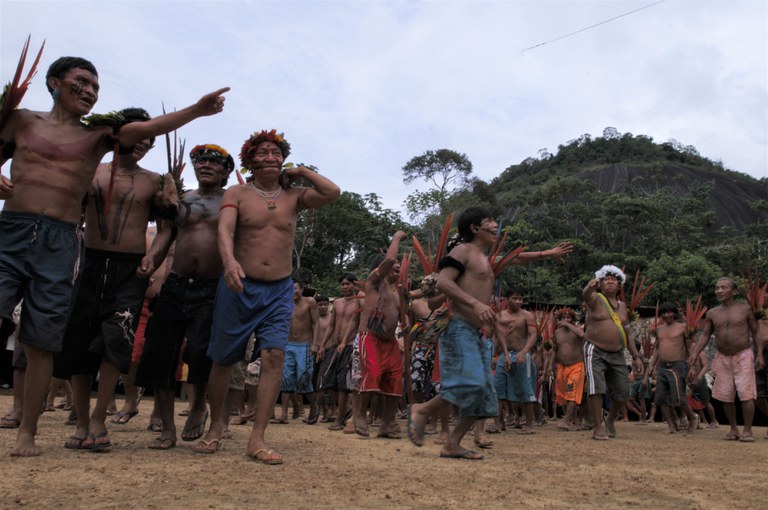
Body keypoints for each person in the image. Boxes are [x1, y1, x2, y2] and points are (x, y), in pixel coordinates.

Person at [0, 55, 228, 456]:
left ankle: (38, 432)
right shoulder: (23, 122)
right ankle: (63, 417)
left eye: (96, 86)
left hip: (94, 255)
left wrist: (196, 110)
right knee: (66, 340)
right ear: (54, 82)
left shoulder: (114, 148)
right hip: (33, 237)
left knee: (62, 342)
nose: (90, 90)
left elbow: (166, 218)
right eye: (82, 82)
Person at [195, 129, 339, 464]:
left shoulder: (294, 195)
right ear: (249, 161)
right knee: (224, 359)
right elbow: (225, 230)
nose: (270, 158)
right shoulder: (238, 193)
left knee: (274, 356)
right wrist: (229, 262)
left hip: (279, 289)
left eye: (276, 153)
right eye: (262, 153)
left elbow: (332, 192)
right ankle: (216, 427)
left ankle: (257, 439)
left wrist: (301, 172)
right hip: (240, 284)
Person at [51, 107, 185, 452]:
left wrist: (152, 258)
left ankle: (99, 418)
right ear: (117, 135)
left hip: (129, 271)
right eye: (137, 135)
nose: (142, 143)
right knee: (80, 343)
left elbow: (169, 228)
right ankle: (82, 421)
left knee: (116, 341)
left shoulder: (156, 181)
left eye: (149, 140)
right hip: (90, 264)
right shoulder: (90, 171)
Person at [134, 144, 235, 450]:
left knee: (201, 353)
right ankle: (167, 428)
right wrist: (151, 258)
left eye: (214, 162)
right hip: (176, 285)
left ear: (227, 171)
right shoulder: (182, 200)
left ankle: (196, 408)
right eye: (200, 160)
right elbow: (165, 233)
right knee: (159, 353)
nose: (205, 165)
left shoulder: (231, 203)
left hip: (211, 287)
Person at [408, 207, 500, 460]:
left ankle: (452, 444)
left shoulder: (483, 258)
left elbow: (518, 259)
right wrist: (476, 304)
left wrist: (547, 253)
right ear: (474, 228)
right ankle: (423, 410)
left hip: (475, 332)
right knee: (471, 383)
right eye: (490, 221)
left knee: (483, 395)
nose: (495, 226)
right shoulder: (462, 251)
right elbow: (443, 282)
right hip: (458, 328)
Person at [688, 277, 762, 442]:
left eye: (723, 287)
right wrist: (694, 353)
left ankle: (748, 430)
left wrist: (760, 355)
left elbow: (756, 332)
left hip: (743, 354)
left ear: (734, 291)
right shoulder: (713, 313)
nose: (719, 291)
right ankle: (734, 428)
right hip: (722, 357)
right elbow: (706, 335)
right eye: (717, 288)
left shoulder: (746, 309)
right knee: (724, 395)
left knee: (746, 394)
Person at [355, 231, 408, 438]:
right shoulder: (374, 283)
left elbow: (403, 316)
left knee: (395, 381)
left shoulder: (398, 292)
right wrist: (395, 237)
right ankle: (360, 415)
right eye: (394, 266)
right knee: (373, 374)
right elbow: (391, 258)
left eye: (399, 268)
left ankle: (387, 423)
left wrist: (407, 329)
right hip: (372, 338)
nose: (397, 266)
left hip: (391, 342)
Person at [583, 265, 644, 441]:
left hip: (617, 352)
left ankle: (610, 419)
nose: (610, 281)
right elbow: (585, 295)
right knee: (596, 388)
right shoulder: (595, 298)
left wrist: (636, 357)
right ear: (600, 283)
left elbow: (627, 332)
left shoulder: (623, 306)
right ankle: (597, 427)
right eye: (606, 279)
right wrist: (590, 287)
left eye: (614, 279)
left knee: (624, 392)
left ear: (619, 285)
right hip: (595, 349)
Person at [317, 273, 362, 431]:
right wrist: (322, 345)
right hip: (335, 347)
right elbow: (331, 325)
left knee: (343, 385)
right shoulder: (336, 303)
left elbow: (357, 323)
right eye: (342, 284)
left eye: (347, 284)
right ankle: (348, 408)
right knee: (327, 382)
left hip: (349, 346)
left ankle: (340, 417)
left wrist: (348, 344)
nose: (344, 287)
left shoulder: (358, 302)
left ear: (354, 285)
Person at [645, 302, 697, 434]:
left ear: (674, 313)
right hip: (662, 366)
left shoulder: (683, 327)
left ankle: (691, 418)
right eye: (664, 313)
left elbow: (690, 347)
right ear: (661, 315)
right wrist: (651, 365)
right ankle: (671, 426)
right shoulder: (659, 329)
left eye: (669, 312)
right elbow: (657, 349)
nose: (667, 315)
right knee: (660, 398)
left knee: (679, 398)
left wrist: (692, 367)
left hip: (678, 366)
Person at [492, 286, 538, 435]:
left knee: (526, 388)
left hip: (522, 355)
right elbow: (499, 337)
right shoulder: (500, 316)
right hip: (505, 355)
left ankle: (529, 424)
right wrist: (502, 355)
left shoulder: (527, 316)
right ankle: (498, 424)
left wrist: (524, 352)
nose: (518, 302)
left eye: (520, 299)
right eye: (515, 298)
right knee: (498, 388)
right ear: (507, 299)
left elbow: (533, 335)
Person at [275, 280, 319, 424]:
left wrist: (315, 344)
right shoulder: (285, 303)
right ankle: (283, 414)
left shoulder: (309, 302)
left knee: (304, 381)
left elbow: (316, 323)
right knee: (286, 381)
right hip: (288, 345)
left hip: (304, 346)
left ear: (301, 289)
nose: (292, 291)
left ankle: (314, 408)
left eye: (295, 288)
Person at [547, 307, 585, 431]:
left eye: (568, 317)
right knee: (564, 396)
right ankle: (574, 421)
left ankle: (565, 421)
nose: (566, 320)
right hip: (562, 368)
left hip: (576, 367)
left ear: (573, 319)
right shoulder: (557, 333)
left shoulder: (577, 330)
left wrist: (568, 326)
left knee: (571, 394)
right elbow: (554, 350)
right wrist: (550, 366)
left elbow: (581, 334)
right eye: (563, 318)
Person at [307, 294, 332, 423]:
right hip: (314, 353)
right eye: (320, 304)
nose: (323, 307)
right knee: (312, 384)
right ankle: (326, 410)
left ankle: (317, 411)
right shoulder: (313, 319)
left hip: (329, 353)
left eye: (325, 304)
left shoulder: (332, 319)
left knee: (321, 385)